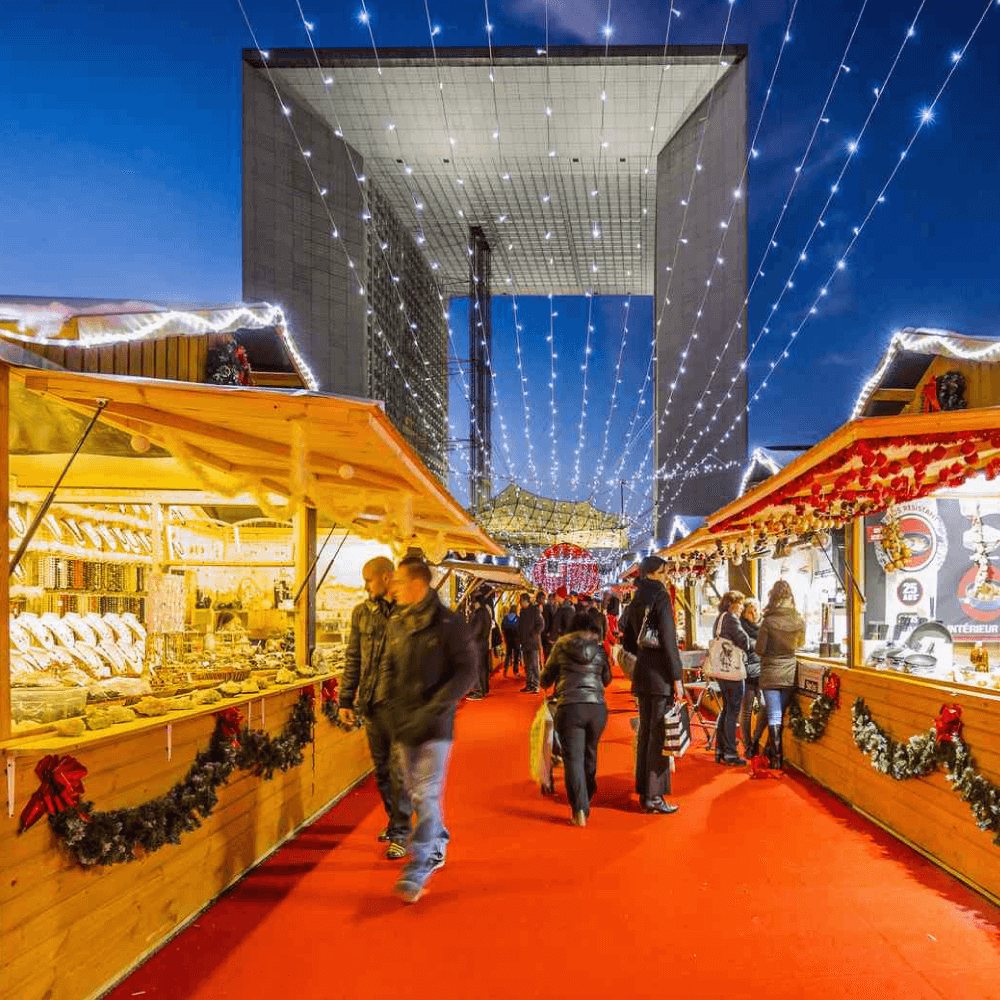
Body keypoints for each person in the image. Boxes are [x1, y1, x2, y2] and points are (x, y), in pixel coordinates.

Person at [385, 556, 476, 903]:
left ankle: (419, 864)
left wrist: (437, 705)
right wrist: (387, 706)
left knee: (424, 793)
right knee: (414, 791)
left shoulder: (448, 623)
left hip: (435, 724)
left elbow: (467, 670)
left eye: (399, 581)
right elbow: (389, 669)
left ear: (417, 585)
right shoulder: (397, 622)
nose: (393, 588)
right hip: (403, 722)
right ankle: (437, 838)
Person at [338, 556, 411, 860]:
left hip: (400, 705)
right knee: (381, 771)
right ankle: (395, 822)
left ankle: (402, 832)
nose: (365, 585)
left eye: (368, 579)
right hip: (370, 702)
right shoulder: (361, 613)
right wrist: (345, 699)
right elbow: (353, 656)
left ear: (385, 578)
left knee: (398, 771)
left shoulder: (407, 611)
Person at [621, 555, 684, 814]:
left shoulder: (637, 598)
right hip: (659, 675)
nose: (666, 576)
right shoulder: (660, 595)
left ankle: (646, 792)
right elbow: (669, 640)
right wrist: (677, 676)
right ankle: (654, 796)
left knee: (647, 733)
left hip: (643, 673)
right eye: (663, 572)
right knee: (658, 735)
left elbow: (626, 641)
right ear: (655, 573)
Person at [540, 612, 612, 827]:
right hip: (596, 707)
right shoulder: (599, 649)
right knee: (590, 753)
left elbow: (546, 678)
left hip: (570, 706)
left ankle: (579, 810)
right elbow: (607, 679)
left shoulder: (561, 646)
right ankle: (588, 793)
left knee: (573, 759)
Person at [755, 580, 806, 770]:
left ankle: (777, 758)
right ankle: (772, 754)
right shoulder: (799, 620)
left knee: (774, 715)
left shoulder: (767, 621)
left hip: (770, 673)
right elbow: (800, 644)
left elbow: (760, 649)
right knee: (779, 714)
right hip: (789, 672)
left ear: (773, 598)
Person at [712, 592, 751, 766]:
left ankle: (720, 749)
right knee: (733, 710)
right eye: (740, 604)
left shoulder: (720, 618)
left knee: (727, 709)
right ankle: (730, 753)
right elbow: (745, 642)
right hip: (732, 671)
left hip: (721, 671)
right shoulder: (731, 619)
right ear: (732, 604)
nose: (742, 607)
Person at [740, 598, 767, 759]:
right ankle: (748, 745)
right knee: (746, 712)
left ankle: (756, 739)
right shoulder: (740, 628)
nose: (754, 613)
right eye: (750, 611)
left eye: (756, 610)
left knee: (764, 706)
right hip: (747, 675)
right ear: (744, 613)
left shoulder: (764, 627)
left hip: (762, 675)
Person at [467, 593, 493, 700]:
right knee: (483, 667)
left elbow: (477, 630)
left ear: (477, 603)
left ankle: (478, 690)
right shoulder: (486, 612)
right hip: (484, 643)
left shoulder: (479, 613)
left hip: (478, 644)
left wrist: (470, 637)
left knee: (477, 667)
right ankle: (484, 688)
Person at [517, 592, 544, 693]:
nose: (520, 604)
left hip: (533, 642)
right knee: (527, 665)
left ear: (526, 601)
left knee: (534, 664)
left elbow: (541, 624)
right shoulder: (522, 612)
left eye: (521, 602)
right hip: (524, 642)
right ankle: (529, 684)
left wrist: (534, 633)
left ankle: (536, 684)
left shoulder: (535, 611)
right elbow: (520, 626)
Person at [501, 602, 521, 678]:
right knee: (516, 656)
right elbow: (520, 629)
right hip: (516, 639)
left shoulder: (505, 618)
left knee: (508, 655)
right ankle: (515, 671)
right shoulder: (518, 618)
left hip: (508, 639)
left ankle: (505, 671)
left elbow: (502, 627)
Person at [538, 591, 554, 659]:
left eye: (542, 598)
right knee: (545, 651)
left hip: (547, 633)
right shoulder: (536, 608)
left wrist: (549, 632)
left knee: (548, 651)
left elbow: (551, 620)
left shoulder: (548, 607)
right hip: (541, 634)